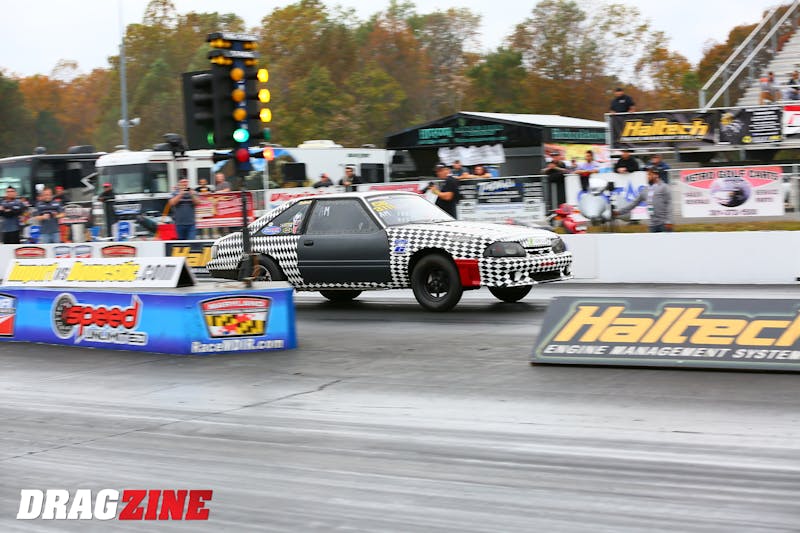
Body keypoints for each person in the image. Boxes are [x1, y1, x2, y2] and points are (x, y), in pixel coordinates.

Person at [614, 166, 673, 232]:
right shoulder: (645, 190)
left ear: (656, 175)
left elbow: (669, 205)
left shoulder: (664, 187)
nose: (647, 177)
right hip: (652, 225)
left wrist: (669, 221)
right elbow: (634, 203)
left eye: (649, 174)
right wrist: (619, 212)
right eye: (647, 174)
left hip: (664, 224)